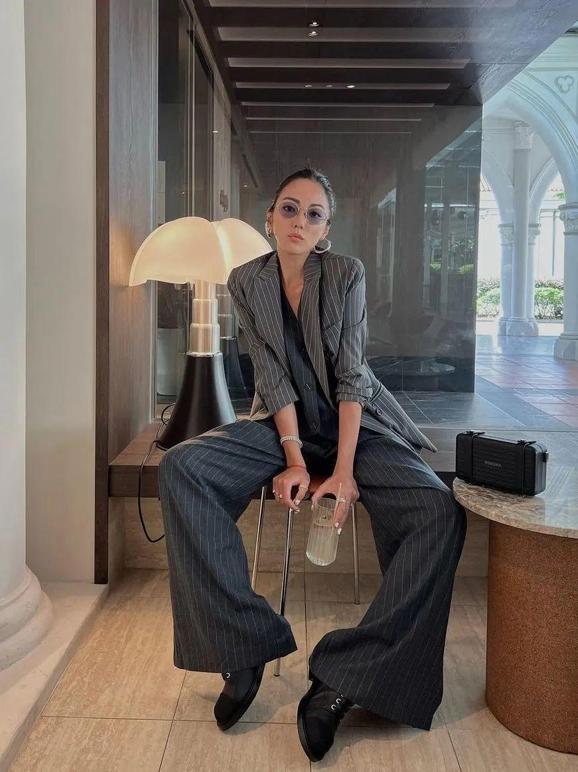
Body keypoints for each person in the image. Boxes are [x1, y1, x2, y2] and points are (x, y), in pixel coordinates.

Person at [158, 167, 467, 763]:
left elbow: (351, 377)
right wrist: (295, 458)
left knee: (437, 510)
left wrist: (343, 471)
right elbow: (270, 374)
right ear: (270, 217)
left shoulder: (345, 273)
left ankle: (347, 678)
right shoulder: (246, 279)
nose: (300, 221)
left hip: (357, 426)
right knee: (183, 468)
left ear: (327, 229)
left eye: (314, 214)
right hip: (283, 427)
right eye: (290, 209)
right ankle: (242, 645)